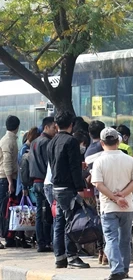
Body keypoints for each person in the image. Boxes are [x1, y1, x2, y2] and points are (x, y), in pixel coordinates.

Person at [91, 127, 133, 280]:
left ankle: (116, 270)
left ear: (101, 143)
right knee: (125, 239)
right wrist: (123, 195)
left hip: (108, 206)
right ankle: (125, 269)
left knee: (111, 238)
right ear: (118, 141)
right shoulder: (129, 160)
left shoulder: (99, 161)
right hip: (127, 206)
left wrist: (114, 198)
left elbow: (98, 184)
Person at [47, 110, 90, 269]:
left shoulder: (51, 142)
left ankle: (60, 257)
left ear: (56, 125)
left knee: (59, 222)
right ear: (71, 125)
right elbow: (74, 168)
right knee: (71, 222)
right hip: (68, 188)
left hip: (56, 187)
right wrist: (79, 188)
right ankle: (72, 256)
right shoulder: (71, 141)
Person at [29, 116, 57, 252]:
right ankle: (47, 241)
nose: (55, 130)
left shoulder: (34, 142)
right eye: (53, 127)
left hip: (35, 182)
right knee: (49, 214)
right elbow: (50, 164)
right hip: (45, 182)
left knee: (40, 214)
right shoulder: (47, 142)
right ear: (46, 127)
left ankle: (41, 242)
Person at [84, 119, 107, 265]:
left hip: (98, 192)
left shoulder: (88, 151)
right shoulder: (104, 147)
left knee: (101, 221)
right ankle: (106, 252)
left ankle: (100, 252)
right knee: (109, 224)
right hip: (111, 191)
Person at [0, 115, 21, 249]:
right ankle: (6, 236)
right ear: (17, 127)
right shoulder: (8, 141)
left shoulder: (9, 139)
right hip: (5, 179)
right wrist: (10, 183)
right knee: (4, 209)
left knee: (7, 209)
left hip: (7, 178)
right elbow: (7, 163)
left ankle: (9, 237)